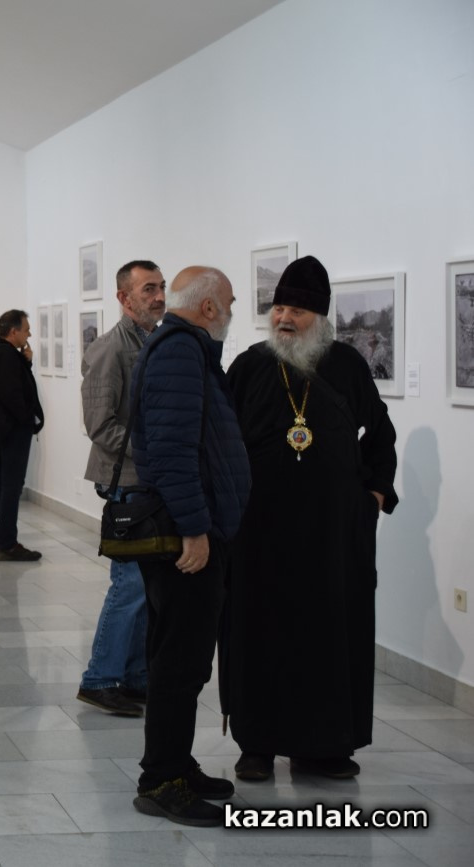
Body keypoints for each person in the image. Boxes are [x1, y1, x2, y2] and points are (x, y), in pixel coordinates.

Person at [222, 255, 398, 782]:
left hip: (331, 538)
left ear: (319, 318)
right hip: (260, 533)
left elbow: (381, 437)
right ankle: (256, 744)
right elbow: (221, 442)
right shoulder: (250, 366)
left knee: (328, 638)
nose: (284, 318)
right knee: (259, 634)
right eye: (278, 308)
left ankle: (323, 746)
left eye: (296, 311)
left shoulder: (347, 366)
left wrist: (372, 498)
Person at [128, 266, 251, 826]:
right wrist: (196, 529)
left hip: (195, 529)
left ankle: (176, 763)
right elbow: (173, 451)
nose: (232, 311)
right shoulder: (180, 352)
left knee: (182, 659)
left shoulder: (184, 348)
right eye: (229, 302)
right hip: (187, 538)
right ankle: (161, 781)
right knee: (180, 663)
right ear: (207, 308)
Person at [76, 260, 166, 716]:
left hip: (147, 484)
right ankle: (100, 679)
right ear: (123, 297)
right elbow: (100, 424)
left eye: (161, 287)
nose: (159, 296)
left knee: (146, 586)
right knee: (129, 584)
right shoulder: (110, 348)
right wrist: (153, 451)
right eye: (148, 289)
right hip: (125, 483)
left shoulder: (154, 341)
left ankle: (133, 677)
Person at [0, 309, 45, 561]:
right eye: (26, 330)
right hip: (13, 429)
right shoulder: (5, 355)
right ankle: (7, 543)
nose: (29, 334)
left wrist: (25, 361)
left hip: (1, 429)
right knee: (11, 486)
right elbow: (13, 394)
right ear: (14, 331)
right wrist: (26, 419)